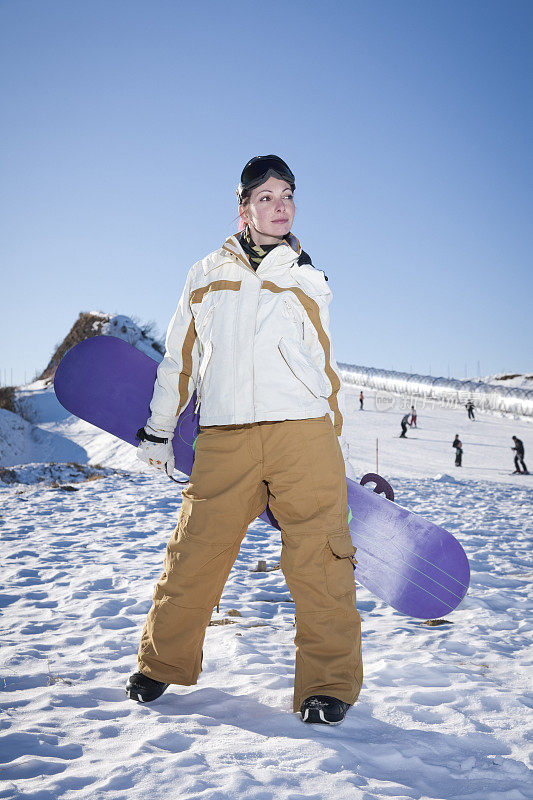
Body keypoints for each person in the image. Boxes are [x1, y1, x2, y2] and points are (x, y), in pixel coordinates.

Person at [126, 155, 362, 726]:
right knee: (194, 552)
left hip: (301, 433)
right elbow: (178, 358)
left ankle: (326, 685)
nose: (279, 207)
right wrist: (160, 429)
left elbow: (324, 366)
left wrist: (335, 441)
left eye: (287, 196)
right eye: (266, 198)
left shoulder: (307, 275)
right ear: (243, 210)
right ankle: (162, 664)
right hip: (226, 435)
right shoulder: (205, 274)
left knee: (320, 559)